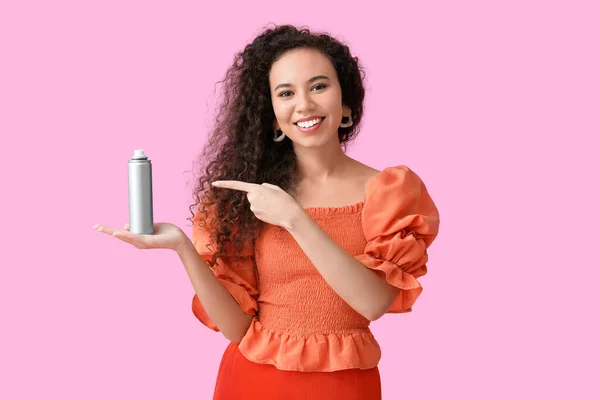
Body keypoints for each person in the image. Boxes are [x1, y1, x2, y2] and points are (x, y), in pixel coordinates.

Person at [94, 24, 440, 400]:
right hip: (252, 381)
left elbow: (373, 303)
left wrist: (294, 218)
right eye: (286, 93)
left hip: (345, 386)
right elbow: (236, 329)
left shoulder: (390, 191)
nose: (304, 104)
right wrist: (182, 247)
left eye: (319, 86)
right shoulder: (248, 198)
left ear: (346, 103)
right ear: (273, 116)